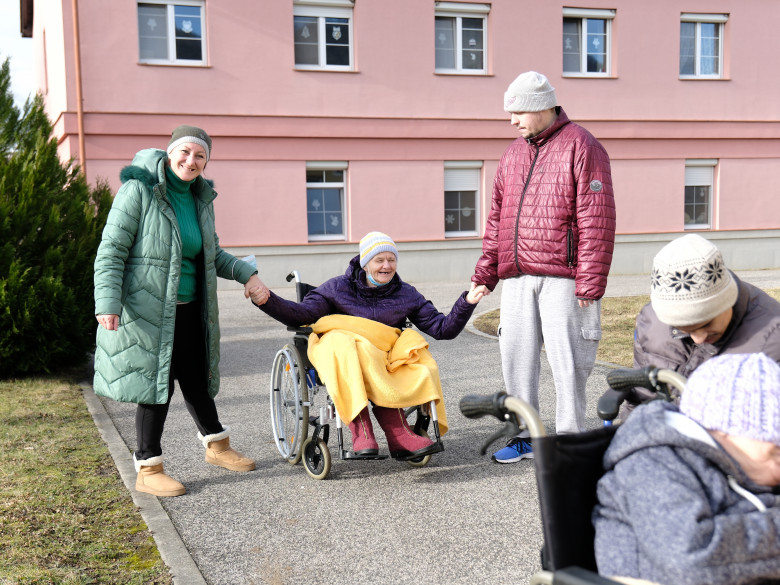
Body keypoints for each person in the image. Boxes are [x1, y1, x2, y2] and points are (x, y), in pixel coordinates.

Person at [94, 125, 271, 497]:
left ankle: (217, 446)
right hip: (147, 311)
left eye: (200, 155)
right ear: (170, 152)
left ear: (206, 162)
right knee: (154, 386)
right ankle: (148, 466)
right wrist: (107, 303)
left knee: (195, 378)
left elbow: (213, 254)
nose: (191, 161)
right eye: (186, 152)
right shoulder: (140, 190)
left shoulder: (199, 198)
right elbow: (111, 250)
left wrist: (247, 275)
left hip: (191, 308)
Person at [471, 70, 616, 463]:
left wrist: (590, 280)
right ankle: (525, 437)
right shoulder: (512, 154)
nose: (511, 120)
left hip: (564, 278)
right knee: (516, 360)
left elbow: (596, 216)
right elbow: (497, 219)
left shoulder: (582, 146)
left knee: (568, 363)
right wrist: (486, 273)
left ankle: (569, 442)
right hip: (518, 277)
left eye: (518, 111)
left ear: (542, 107)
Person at [250, 231, 486, 460]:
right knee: (345, 342)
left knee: (399, 351)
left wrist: (467, 302)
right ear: (365, 263)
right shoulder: (337, 288)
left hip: (384, 359)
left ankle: (399, 435)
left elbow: (442, 329)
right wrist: (266, 300)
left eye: (391, 260)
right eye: (379, 260)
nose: (386, 265)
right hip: (344, 355)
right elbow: (301, 315)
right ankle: (361, 429)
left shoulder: (406, 294)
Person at [593, 352, 780, 585]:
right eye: (776, 454)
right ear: (723, 432)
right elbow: (692, 554)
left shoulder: (733, 462)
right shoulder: (652, 464)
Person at [628, 233, 780, 409]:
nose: (698, 338)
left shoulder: (773, 338)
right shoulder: (652, 322)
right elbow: (640, 401)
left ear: (727, 300)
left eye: (706, 323)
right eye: (683, 328)